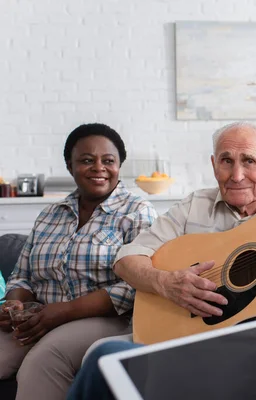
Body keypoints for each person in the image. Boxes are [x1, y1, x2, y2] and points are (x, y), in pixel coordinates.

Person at [65, 121, 256, 400]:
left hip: (241, 353)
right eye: (226, 161)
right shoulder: (194, 207)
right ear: (213, 164)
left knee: (105, 355)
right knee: (102, 357)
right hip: (176, 332)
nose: (237, 175)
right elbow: (127, 258)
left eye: (249, 161)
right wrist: (165, 283)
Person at [0, 123, 157, 400]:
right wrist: (14, 304)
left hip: (111, 319)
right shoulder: (50, 214)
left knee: (45, 360)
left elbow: (136, 285)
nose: (99, 168)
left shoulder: (137, 212)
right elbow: (21, 274)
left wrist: (64, 312)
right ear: (70, 166)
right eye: (86, 160)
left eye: (108, 161)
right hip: (41, 316)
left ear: (119, 166)